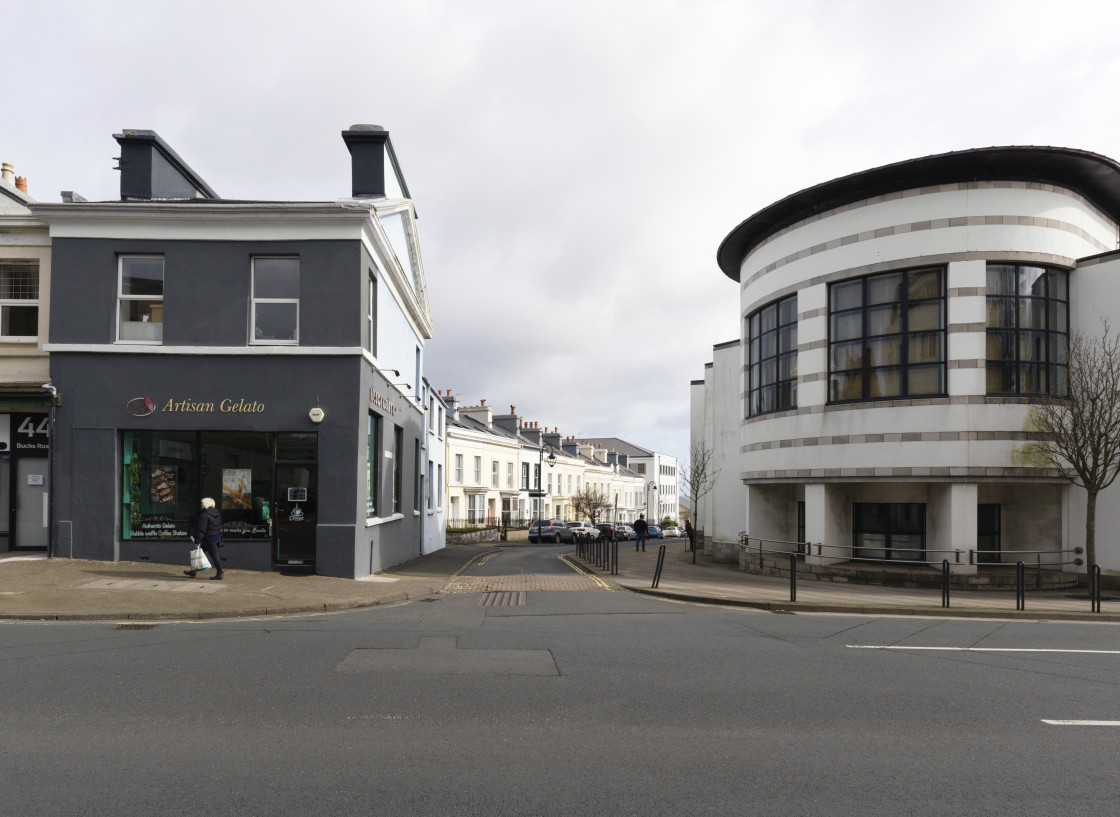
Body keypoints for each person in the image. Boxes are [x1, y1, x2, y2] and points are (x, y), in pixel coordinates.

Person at [185, 497, 224, 580]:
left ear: (206, 504)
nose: (201, 505)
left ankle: (220, 573)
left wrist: (198, 541)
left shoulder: (205, 514)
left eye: (202, 503)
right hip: (215, 536)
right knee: (199, 553)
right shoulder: (216, 512)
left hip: (209, 538)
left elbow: (202, 529)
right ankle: (193, 571)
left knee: (214, 555)